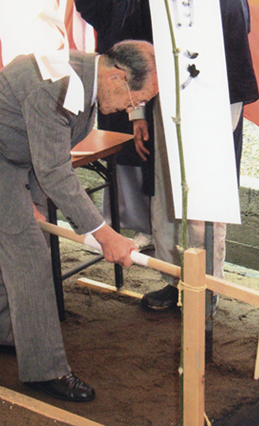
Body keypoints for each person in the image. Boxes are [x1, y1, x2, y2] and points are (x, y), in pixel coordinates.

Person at [0, 40, 158, 401]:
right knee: (30, 254)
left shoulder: (83, 79)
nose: (131, 109)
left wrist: (26, 195)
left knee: (24, 243)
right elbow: (55, 170)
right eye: (136, 99)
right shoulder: (59, 84)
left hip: (14, 164)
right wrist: (105, 235)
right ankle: (45, 371)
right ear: (117, 77)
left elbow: (43, 150)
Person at [140, 0, 259, 311]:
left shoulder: (229, 5)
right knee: (167, 194)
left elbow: (235, 41)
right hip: (164, 94)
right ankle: (172, 278)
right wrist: (137, 110)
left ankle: (206, 285)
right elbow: (138, 40)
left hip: (215, 97)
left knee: (205, 199)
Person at [75, 0, 155, 248]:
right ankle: (113, 223)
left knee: (144, 149)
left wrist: (138, 111)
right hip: (112, 68)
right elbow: (91, 10)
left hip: (146, 75)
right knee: (118, 148)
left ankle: (148, 227)